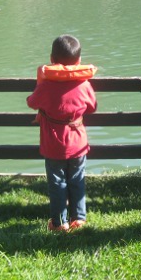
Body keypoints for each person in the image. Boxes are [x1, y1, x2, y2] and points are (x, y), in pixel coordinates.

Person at [27, 35, 97, 232]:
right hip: (78, 141)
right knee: (77, 178)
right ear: (79, 61)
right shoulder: (84, 85)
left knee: (57, 183)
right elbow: (92, 107)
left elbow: (32, 103)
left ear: (51, 59)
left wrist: (39, 83)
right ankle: (79, 218)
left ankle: (59, 223)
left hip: (53, 143)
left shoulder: (47, 86)